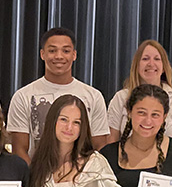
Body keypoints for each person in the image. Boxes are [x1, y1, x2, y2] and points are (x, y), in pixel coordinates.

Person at [24, 95, 134, 187]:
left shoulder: (95, 164)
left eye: (76, 122)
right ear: (52, 121)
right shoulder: (39, 164)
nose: (69, 127)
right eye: (63, 119)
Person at [8, 27, 110, 164]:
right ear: (42, 54)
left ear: (74, 55)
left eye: (66, 51)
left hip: (81, 179)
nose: (59, 56)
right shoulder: (23, 96)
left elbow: (99, 147)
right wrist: (36, 179)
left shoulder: (93, 96)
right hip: (38, 177)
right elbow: (19, 149)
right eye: (52, 50)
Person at [107, 40, 172, 145]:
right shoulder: (121, 98)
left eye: (157, 59)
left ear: (163, 67)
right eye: (145, 59)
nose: (151, 64)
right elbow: (111, 144)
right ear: (137, 66)